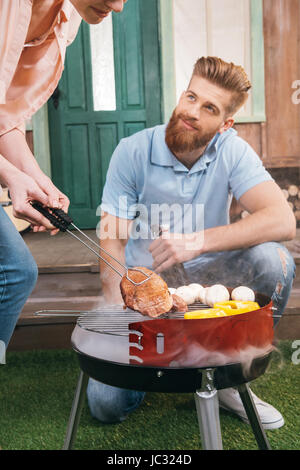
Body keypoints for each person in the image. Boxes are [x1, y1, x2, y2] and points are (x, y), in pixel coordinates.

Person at [87, 56, 296, 429]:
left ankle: (230, 374)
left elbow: (282, 220)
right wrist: (120, 311)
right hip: (147, 293)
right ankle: (163, 363)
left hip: (215, 283)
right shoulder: (132, 151)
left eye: (209, 108)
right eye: (190, 97)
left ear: (225, 123)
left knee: (274, 259)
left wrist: (196, 241)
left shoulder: (232, 150)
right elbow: (111, 241)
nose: (192, 112)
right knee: (106, 405)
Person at [0, 0, 127, 354]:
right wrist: (11, 175)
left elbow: (3, 115)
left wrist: (35, 177)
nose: (117, 7)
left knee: (16, 273)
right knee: (12, 269)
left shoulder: (68, 18)